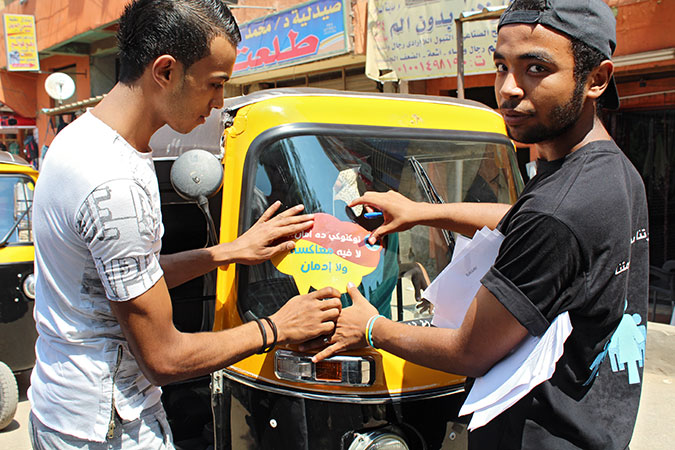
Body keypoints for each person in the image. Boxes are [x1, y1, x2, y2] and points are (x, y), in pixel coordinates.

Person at [307, 0, 649, 448]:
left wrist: (370, 328)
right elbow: (524, 222)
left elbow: (471, 350)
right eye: (501, 66)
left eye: (536, 69)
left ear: (596, 80)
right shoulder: (611, 172)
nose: (508, 88)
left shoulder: (559, 208)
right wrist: (422, 211)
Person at [29, 1, 341, 448]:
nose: (218, 104)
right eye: (214, 85)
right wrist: (277, 327)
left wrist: (231, 251)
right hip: (109, 427)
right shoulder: (114, 183)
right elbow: (165, 357)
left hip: (64, 406)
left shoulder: (80, 139)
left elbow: (131, 277)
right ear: (165, 71)